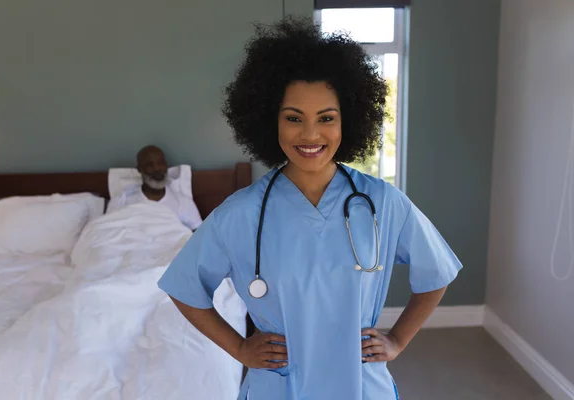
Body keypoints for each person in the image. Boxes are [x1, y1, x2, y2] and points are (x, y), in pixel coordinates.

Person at [158, 18, 462, 399]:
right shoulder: (240, 214)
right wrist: (239, 348)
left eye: (326, 119)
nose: (311, 135)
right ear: (271, 121)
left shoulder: (382, 202)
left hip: (363, 385)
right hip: (280, 386)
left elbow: (437, 272)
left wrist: (397, 339)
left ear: (347, 121)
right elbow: (183, 287)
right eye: (293, 118)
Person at [107, 145, 202, 231]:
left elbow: (199, 234)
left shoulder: (182, 201)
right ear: (140, 169)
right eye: (149, 165)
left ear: (166, 165)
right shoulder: (122, 200)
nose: (157, 169)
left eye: (160, 163)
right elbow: (106, 231)